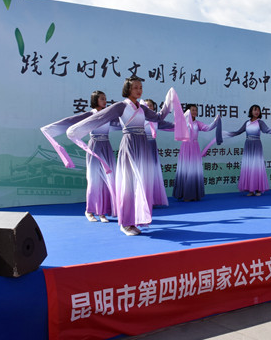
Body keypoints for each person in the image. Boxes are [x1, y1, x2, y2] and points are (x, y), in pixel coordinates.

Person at [67, 77, 187, 236]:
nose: (139, 90)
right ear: (128, 89)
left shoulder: (142, 108)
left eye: (140, 87)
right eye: (135, 87)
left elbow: (158, 117)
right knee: (128, 185)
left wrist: (169, 103)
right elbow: (99, 118)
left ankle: (135, 220)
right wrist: (75, 130)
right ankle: (125, 223)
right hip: (130, 145)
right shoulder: (121, 106)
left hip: (142, 146)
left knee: (141, 183)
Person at [41, 90, 119, 223]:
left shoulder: (108, 115)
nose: (105, 101)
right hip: (95, 147)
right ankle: (89, 211)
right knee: (94, 180)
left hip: (106, 146)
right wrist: (49, 129)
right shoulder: (90, 115)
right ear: (95, 100)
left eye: (105, 98)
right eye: (101, 99)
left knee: (108, 179)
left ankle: (102, 212)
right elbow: (70, 121)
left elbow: (123, 121)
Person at [222, 104, 271, 196]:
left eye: (258, 110)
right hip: (248, 145)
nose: (257, 112)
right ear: (251, 111)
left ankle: (258, 190)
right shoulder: (247, 123)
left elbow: (267, 130)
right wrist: (225, 134)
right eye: (255, 110)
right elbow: (238, 132)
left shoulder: (260, 122)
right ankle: (251, 190)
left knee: (257, 166)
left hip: (257, 145)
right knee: (249, 166)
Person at [173, 104, 222, 202]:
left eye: (196, 110)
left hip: (195, 147)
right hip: (185, 147)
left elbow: (207, 128)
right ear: (187, 111)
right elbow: (174, 128)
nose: (195, 112)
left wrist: (215, 121)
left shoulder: (197, 123)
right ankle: (185, 194)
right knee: (185, 169)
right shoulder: (183, 122)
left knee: (194, 170)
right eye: (193, 110)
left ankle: (193, 194)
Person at [143, 98, 175, 207]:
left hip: (152, 147)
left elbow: (171, 125)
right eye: (146, 105)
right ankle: (142, 200)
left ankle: (152, 199)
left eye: (150, 105)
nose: (148, 107)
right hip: (141, 147)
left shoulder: (156, 120)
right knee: (142, 173)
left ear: (154, 108)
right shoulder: (139, 118)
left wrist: (183, 123)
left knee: (152, 173)